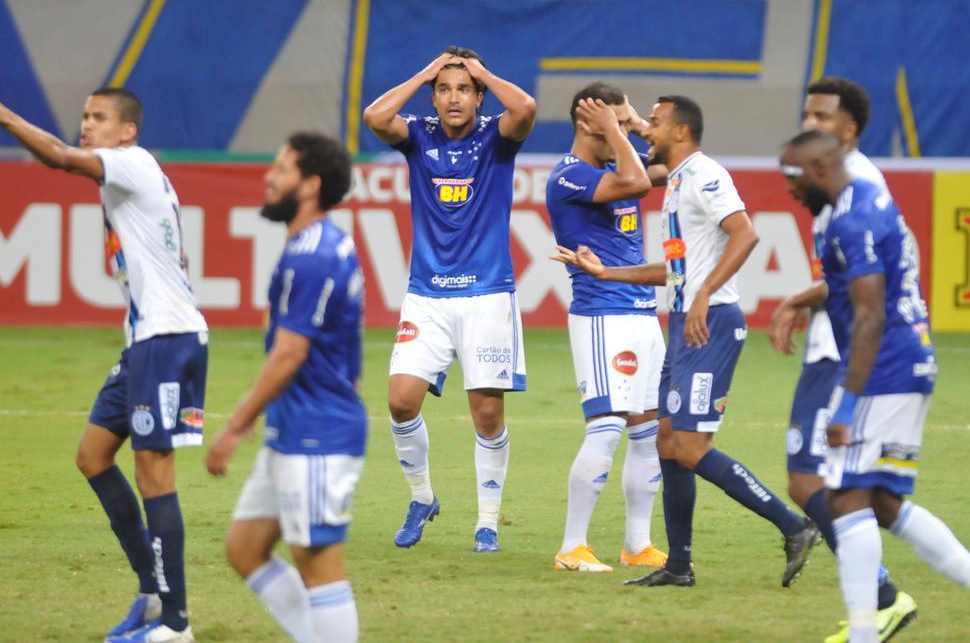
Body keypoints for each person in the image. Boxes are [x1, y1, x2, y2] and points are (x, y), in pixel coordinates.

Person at [553, 95, 819, 588]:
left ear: (680, 132)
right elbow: (676, 272)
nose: (644, 131)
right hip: (684, 320)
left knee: (691, 447)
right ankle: (678, 565)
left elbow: (745, 234)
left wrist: (704, 296)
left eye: (653, 124)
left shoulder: (704, 175)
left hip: (710, 322)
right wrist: (606, 271)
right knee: (667, 443)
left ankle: (795, 525)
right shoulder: (675, 184)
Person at [789, 129, 970, 643]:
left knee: (847, 499)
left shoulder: (852, 220)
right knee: (882, 502)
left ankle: (864, 634)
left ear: (818, 170)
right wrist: (798, 305)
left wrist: (848, 401)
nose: (787, 188)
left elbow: (871, 312)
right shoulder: (861, 202)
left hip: (886, 368)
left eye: (792, 177)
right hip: (905, 362)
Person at [1, 89, 207, 643]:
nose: (85, 126)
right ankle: (149, 593)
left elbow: (57, 157)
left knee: (153, 474)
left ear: (127, 131)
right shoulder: (125, 175)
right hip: (145, 341)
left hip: (169, 336)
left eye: (98, 118)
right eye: (84, 116)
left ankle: (176, 623)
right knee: (93, 456)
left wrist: (4, 114)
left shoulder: (131, 164)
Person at [363, 46, 537, 553]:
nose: (453, 98)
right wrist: (423, 73)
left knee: (486, 414)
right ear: (433, 96)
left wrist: (481, 70)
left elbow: (525, 108)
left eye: (464, 89)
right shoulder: (419, 136)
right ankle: (422, 497)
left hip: (487, 296)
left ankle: (486, 521)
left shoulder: (496, 138)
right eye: (444, 89)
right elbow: (375, 117)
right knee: (400, 401)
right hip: (427, 297)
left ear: (480, 96)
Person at [769, 79, 916, 642]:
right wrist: (805, 300)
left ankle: (883, 597)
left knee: (815, 483)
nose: (811, 121)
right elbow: (840, 273)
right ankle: (882, 599)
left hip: (844, 350)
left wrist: (801, 302)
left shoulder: (859, 181)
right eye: (807, 112)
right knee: (828, 485)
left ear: (849, 128)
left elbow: (873, 279)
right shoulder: (828, 175)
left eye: (823, 115)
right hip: (831, 341)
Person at [206, 131, 364, 643]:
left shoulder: (311, 255)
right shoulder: (323, 243)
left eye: (281, 169)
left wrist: (234, 427)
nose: (268, 177)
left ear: (310, 185)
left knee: (318, 562)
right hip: (295, 429)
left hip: (318, 431)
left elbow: (289, 353)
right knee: (245, 547)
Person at [545, 83, 666, 573]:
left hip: (641, 312)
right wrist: (621, 133)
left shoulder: (618, 161)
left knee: (647, 431)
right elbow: (638, 182)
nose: (624, 132)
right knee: (608, 426)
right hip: (602, 315)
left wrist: (635, 126)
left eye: (624, 122)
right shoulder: (569, 175)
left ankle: (637, 543)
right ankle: (572, 546)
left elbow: (677, 165)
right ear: (585, 123)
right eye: (612, 122)